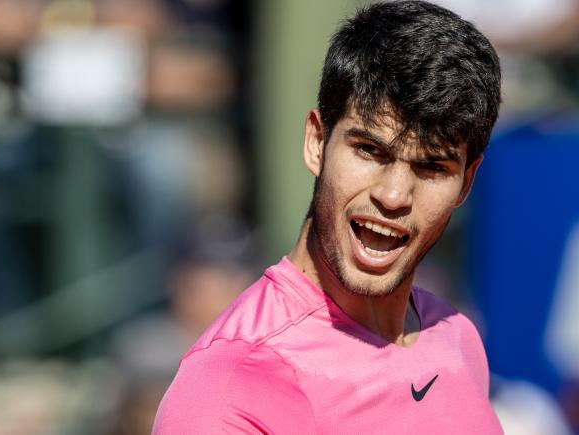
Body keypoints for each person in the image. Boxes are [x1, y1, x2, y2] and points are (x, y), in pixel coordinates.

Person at [152, 1, 503, 433]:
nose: (393, 196)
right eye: (370, 151)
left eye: (432, 168)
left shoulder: (457, 336)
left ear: (467, 182)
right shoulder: (231, 384)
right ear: (317, 141)